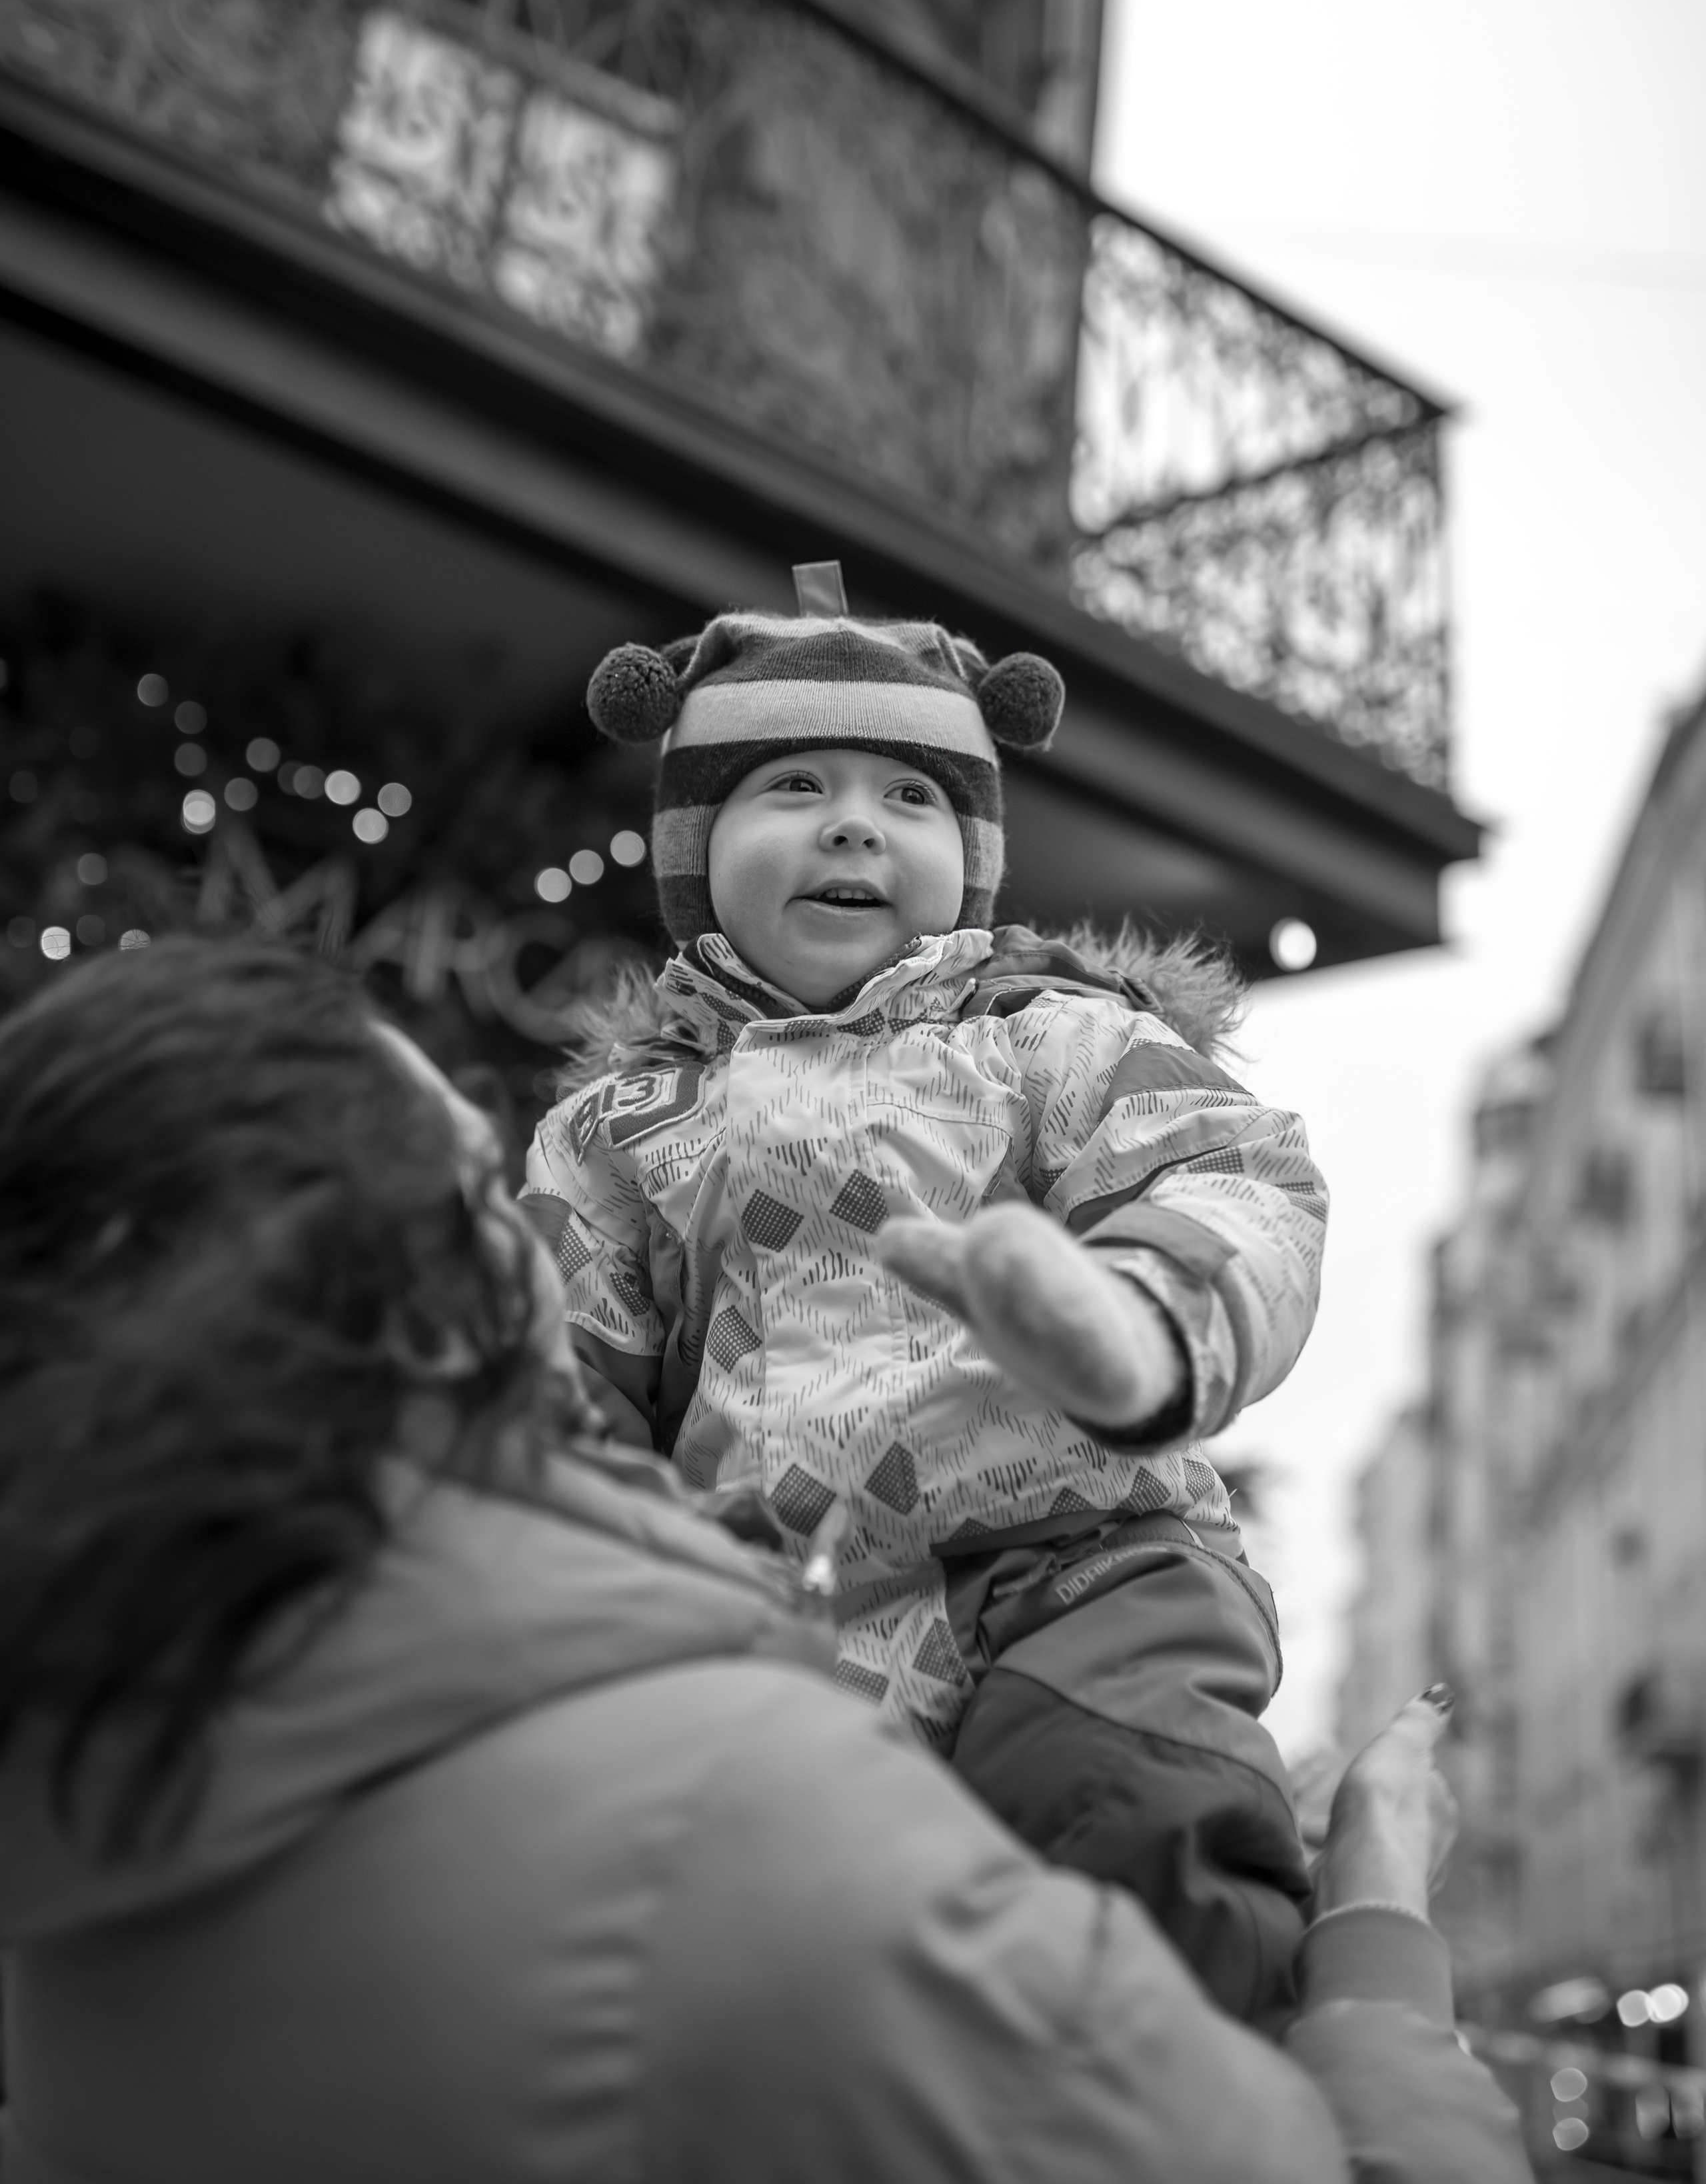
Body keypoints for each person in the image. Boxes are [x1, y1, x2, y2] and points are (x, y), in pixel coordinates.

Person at [0, 939, 1529, 2184]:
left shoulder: (72, 1889)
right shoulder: (738, 1825)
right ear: (427, 1315)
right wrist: (1376, 1917)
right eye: (484, 1202)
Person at [523, 568, 1326, 2022]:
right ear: (695, 849)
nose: (851, 823)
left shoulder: (1050, 1041)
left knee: (1130, 1813)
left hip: (1077, 1553)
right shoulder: (622, 1129)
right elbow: (558, 1375)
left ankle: (1182, 2109)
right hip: (782, 1601)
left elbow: (1233, 1182)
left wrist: (1131, 1319)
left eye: (908, 797)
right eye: (790, 785)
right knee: (777, 1955)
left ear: (967, 852)